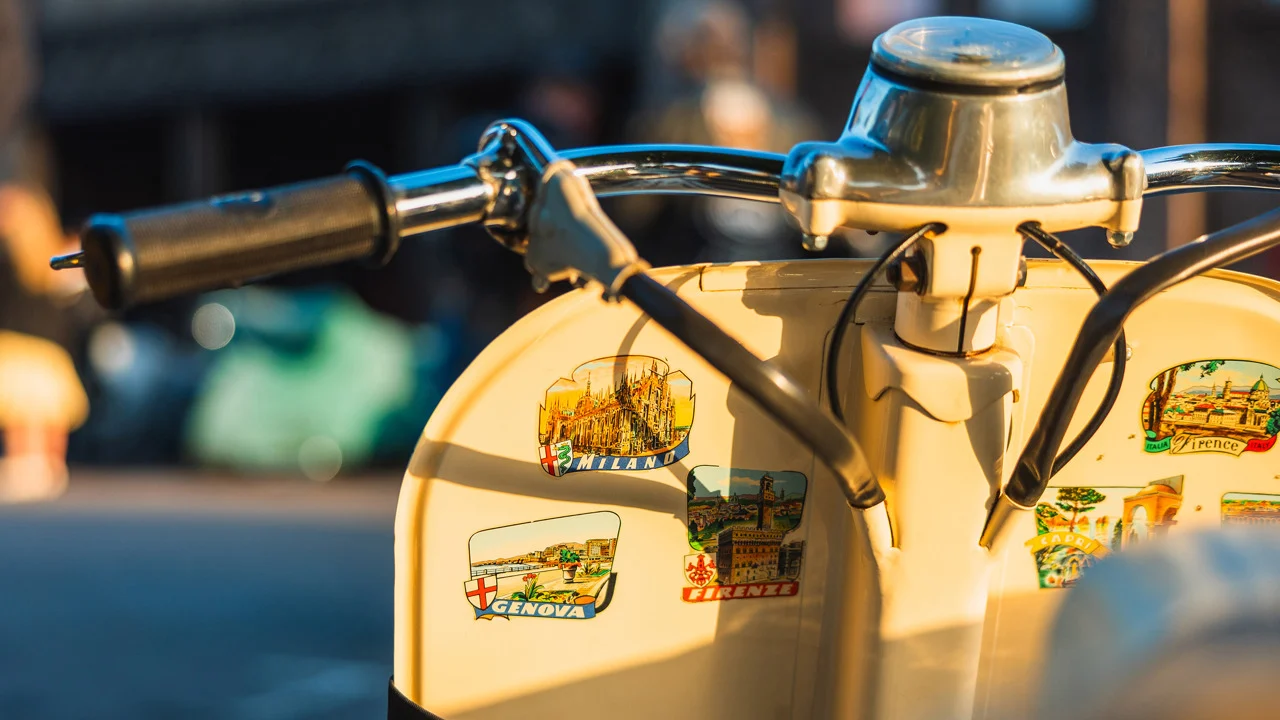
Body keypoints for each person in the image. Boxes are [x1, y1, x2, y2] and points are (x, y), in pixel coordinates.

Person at [0, 183, 88, 501]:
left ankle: (27, 467)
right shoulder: (58, 257)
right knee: (44, 416)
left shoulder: (11, 259)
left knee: (22, 417)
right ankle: (48, 466)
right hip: (46, 350)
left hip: (19, 347)